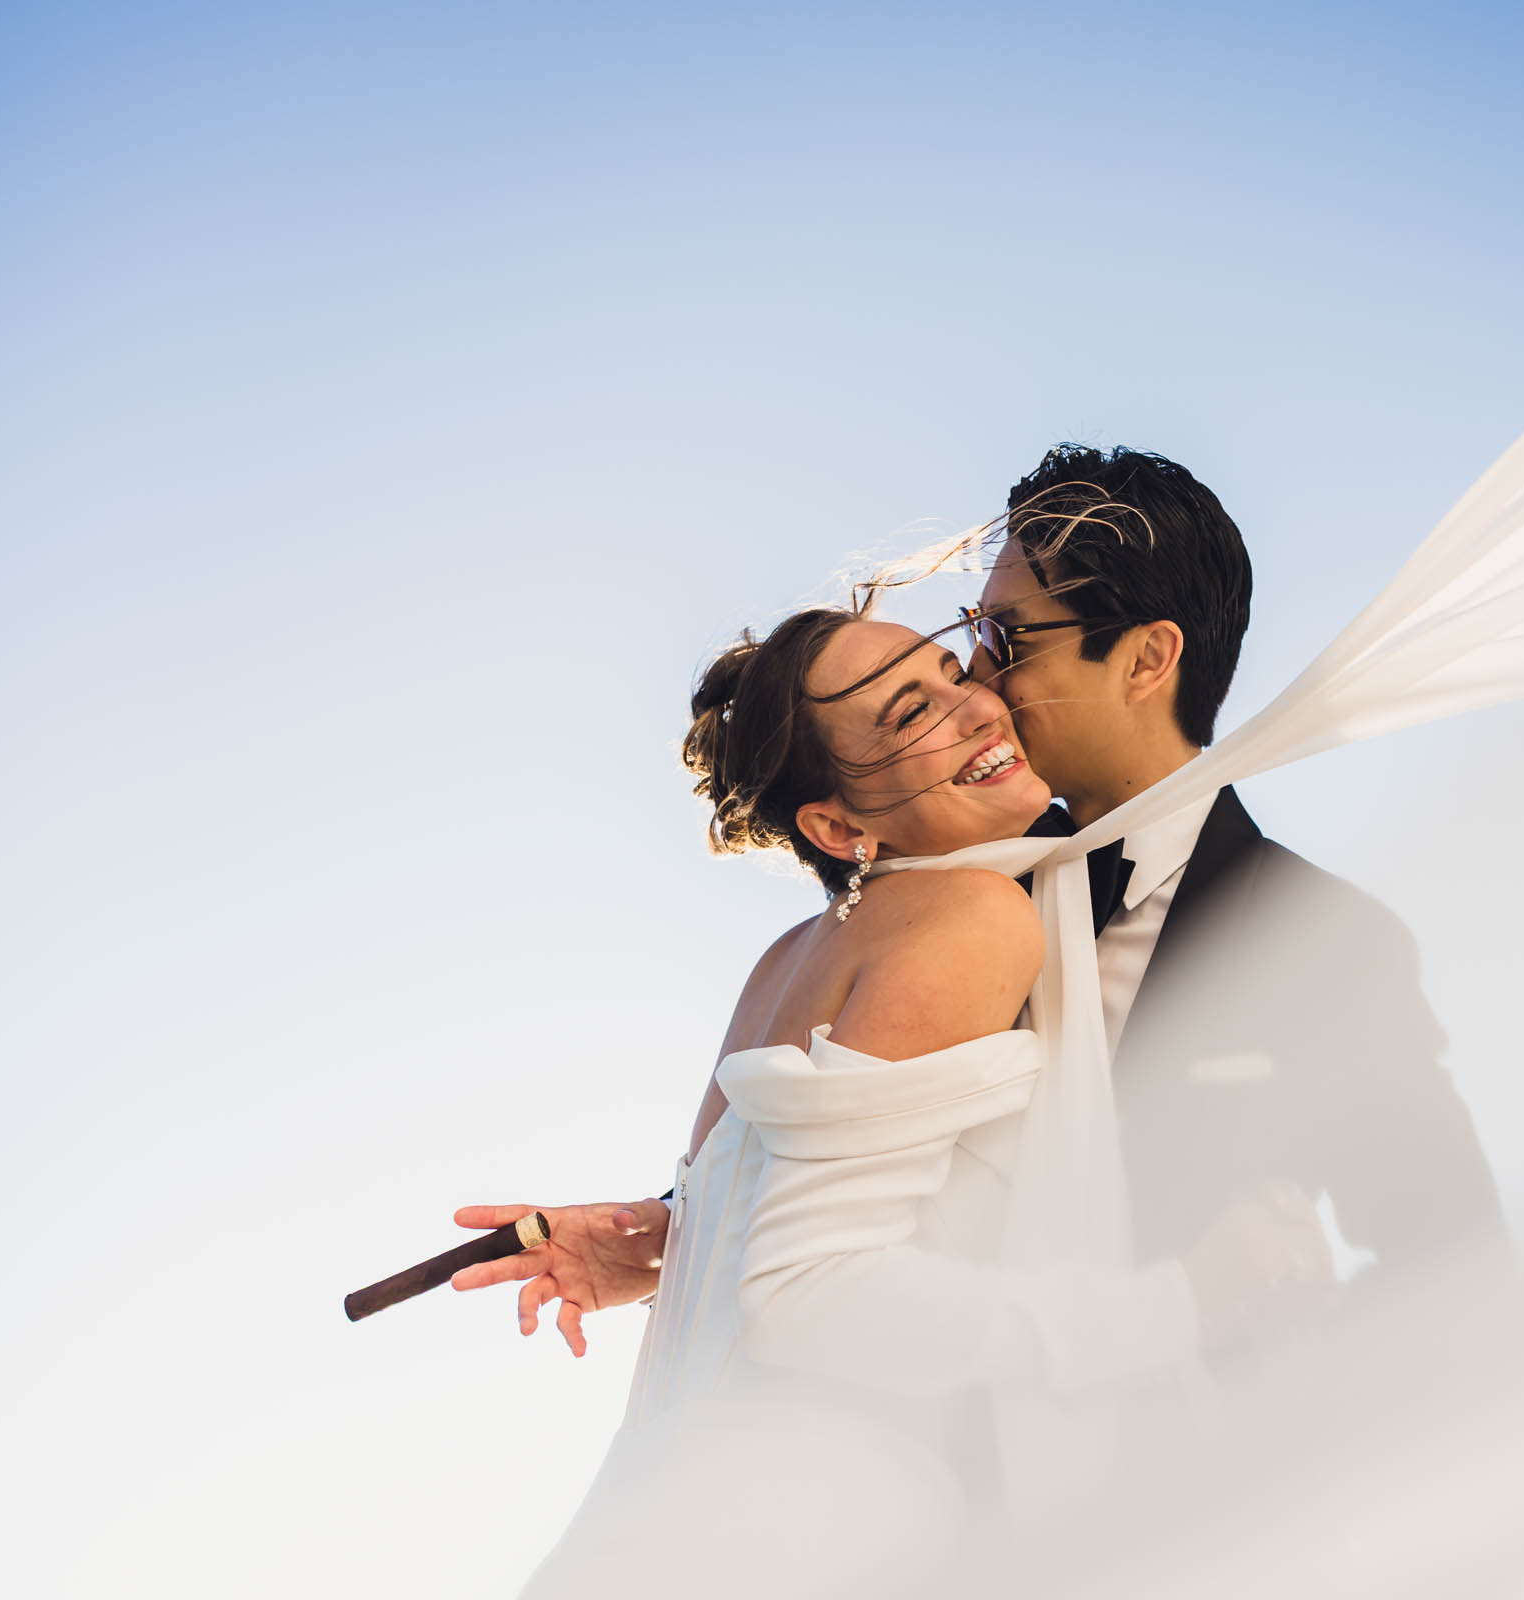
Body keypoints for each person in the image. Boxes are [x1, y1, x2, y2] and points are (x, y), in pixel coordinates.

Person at [452, 446, 1504, 1354]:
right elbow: (839, 1174)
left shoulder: (1329, 947)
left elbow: (1452, 1264)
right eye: (973, 638)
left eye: (1009, 639)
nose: (980, 682)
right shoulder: (936, 893)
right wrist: (670, 1237)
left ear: (1147, 659)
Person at [513, 588, 1337, 1597]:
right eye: (909, 713)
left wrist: (660, 1235)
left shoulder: (785, 962)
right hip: (805, 1537)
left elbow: (758, 1226)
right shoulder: (974, 913)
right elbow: (805, 1297)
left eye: (951, 674)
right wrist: (1183, 1301)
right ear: (835, 824)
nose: (979, 705)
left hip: (651, 1521)